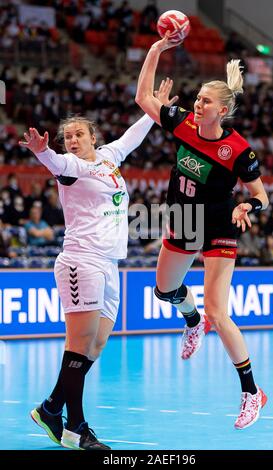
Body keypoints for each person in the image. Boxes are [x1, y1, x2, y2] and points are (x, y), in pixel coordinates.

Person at [19, 80, 177, 450]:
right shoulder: (70, 166)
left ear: (93, 137)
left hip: (109, 264)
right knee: (77, 347)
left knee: (97, 344)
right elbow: (55, 163)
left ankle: (50, 408)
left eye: (78, 134)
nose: (72, 140)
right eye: (67, 136)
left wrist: (156, 110)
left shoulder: (108, 158)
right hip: (80, 261)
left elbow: (133, 136)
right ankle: (76, 427)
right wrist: (43, 152)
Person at [135, 32, 269, 430]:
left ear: (222, 110)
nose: (196, 104)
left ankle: (251, 392)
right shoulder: (183, 125)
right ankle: (191, 320)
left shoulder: (240, 150)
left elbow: (260, 194)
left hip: (219, 224)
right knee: (164, 291)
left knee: (219, 310)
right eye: (196, 99)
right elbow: (144, 98)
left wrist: (249, 204)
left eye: (205, 101)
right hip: (184, 219)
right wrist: (156, 50)